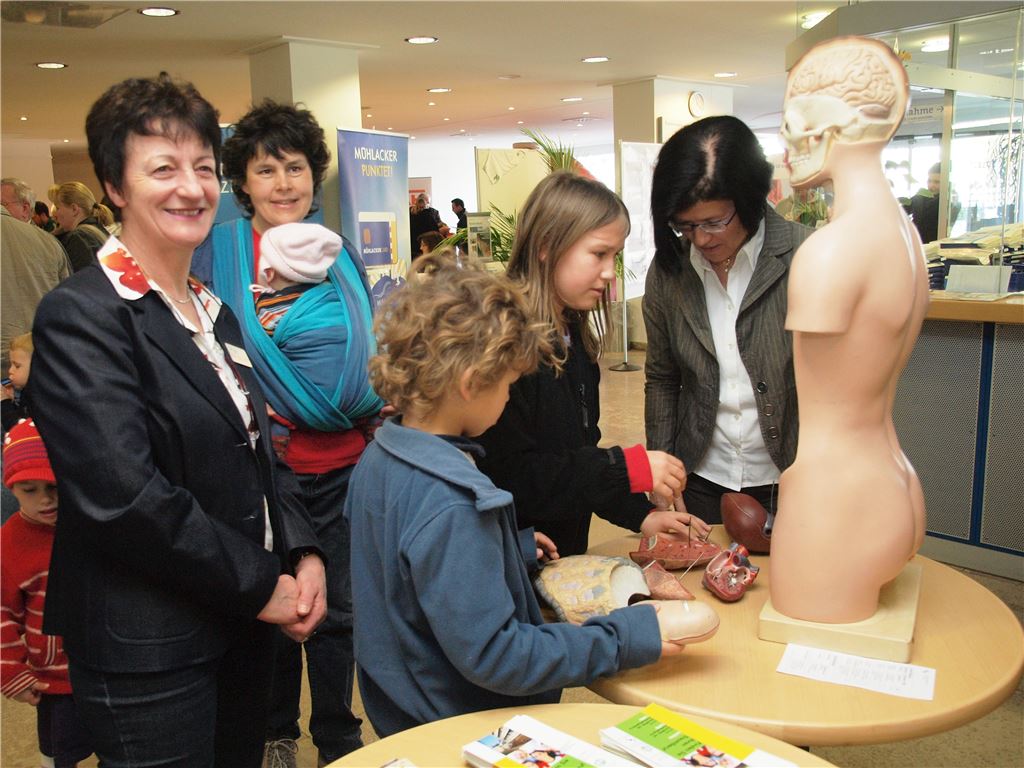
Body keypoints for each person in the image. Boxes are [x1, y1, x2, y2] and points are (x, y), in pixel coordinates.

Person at [29, 72, 326, 767]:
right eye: (162, 168)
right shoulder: (83, 315)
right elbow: (124, 497)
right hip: (150, 645)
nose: (190, 187)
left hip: (240, 625)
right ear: (114, 185)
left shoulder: (209, 307)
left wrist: (302, 549)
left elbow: (260, 448)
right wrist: (265, 584)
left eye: (202, 167)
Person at [347, 251, 684, 737]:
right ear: (469, 384)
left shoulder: (381, 459)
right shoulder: (452, 502)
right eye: (507, 385)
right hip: (464, 725)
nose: (509, 400)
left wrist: (507, 548)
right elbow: (498, 656)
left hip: (406, 714)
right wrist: (626, 637)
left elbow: (407, 569)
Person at [192, 99, 379, 767]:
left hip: (348, 464)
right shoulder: (217, 253)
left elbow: (368, 351)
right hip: (264, 471)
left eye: (295, 168)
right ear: (242, 181)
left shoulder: (340, 255)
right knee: (274, 607)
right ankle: (274, 733)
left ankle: (338, 736)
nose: (283, 184)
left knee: (342, 615)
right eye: (265, 170)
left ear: (314, 174)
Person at [772, 37, 927, 623]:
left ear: (829, 128)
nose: (785, 149)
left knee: (807, 696)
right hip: (893, 482)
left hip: (832, 507)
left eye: (792, 125)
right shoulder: (905, 238)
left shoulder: (830, 254)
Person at [476, 171, 708, 557]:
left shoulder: (571, 333)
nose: (608, 271)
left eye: (614, 256)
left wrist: (642, 516)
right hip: (512, 559)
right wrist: (625, 466)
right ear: (547, 244)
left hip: (561, 559)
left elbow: (576, 457)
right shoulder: (504, 343)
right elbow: (511, 478)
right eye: (599, 254)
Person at [645, 116, 813, 526]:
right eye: (685, 225)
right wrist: (663, 473)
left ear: (752, 199)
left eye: (715, 221)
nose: (701, 239)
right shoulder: (670, 271)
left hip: (794, 476)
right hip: (702, 477)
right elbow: (663, 378)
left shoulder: (806, 256)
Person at [1, 419, 93, 768]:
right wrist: (11, 674)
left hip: (106, 667)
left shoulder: (91, 523)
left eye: (54, 486)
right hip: (53, 682)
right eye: (29, 489)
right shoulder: (10, 542)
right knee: (59, 755)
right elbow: (2, 613)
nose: (45, 500)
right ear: (11, 489)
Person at [47, 182, 114, 272]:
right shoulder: (98, 230)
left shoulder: (79, 238)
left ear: (74, 209)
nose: (55, 214)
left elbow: (82, 281)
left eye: (58, 208)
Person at [908, 163, 961, 243]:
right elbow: (902, 210)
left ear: (947, 182)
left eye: (937, 182)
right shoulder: (921, 197)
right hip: (916, 244)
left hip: (935, 246)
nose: (931, 185)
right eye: (929, 181)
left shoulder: (949, 202)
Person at [2, 333, 34, 433]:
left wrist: (4, 403)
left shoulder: (43, 399)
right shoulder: (27, 390)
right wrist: (13, 403)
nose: (10, 371)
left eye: (17, 366)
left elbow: (20, 432)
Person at [408, 192, 442, 258]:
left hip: (412, 249)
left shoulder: (409, 214)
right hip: (427, 247)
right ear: (425, 202)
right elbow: (435, 233)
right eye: (428, 202)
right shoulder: (429, 214)